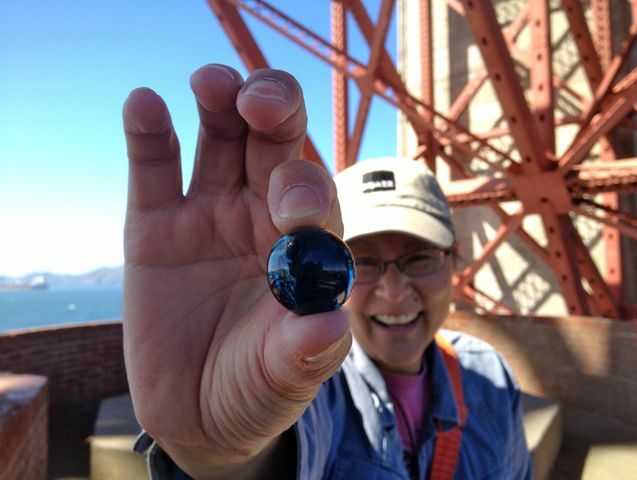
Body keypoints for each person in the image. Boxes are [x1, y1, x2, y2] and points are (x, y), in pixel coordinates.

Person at [122, 63, 532, 479]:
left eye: (419, 257)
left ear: (454, 261)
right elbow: (282, 447)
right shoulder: (311, 385)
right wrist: (215, 454)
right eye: (362, 261)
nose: (393, 291)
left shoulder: (491, 376)